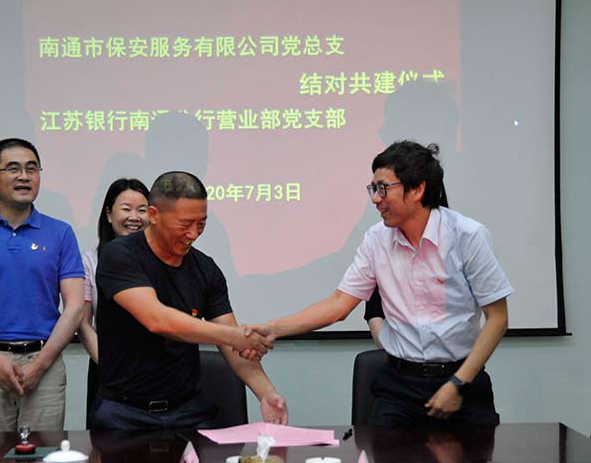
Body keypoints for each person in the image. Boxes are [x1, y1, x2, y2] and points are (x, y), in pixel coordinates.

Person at [254, 141, 512, 426]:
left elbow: (497, 318)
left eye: (383, 188)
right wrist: (273, 329)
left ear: (417, 189)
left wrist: (458, 383)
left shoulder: (468, 236)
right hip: (400, 386)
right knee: (382, 453)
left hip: (463, 381)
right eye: (373, 189)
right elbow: (339, 305)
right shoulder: (376, 240)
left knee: (479, 455)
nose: (376, 199)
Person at [94, 170, 287, 430]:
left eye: (201, 224)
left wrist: (266, 393)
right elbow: (158, 320)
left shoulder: (205, 270)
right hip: (124, 413)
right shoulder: (119, 255)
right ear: (154, 215)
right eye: (185, 224)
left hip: (187, 412)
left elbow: (234, 347)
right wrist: (234, 336)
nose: (194, 234)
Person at [0, 138, 85, 441]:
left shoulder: (60, 233)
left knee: (44, 458)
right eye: (13, 169)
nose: (24, 176)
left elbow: (75, 307)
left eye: (32, 169)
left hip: (45, 362)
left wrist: (40, 365)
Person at [77, 178, 150, 425]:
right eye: (126, 209)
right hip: (107, 368)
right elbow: (83, 323)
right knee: (106, 444)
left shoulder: (162, 260)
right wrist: (109, 364)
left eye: (142, 210)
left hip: (155, 371)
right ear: (109, 214)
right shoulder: (90, 261)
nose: (134, 217)